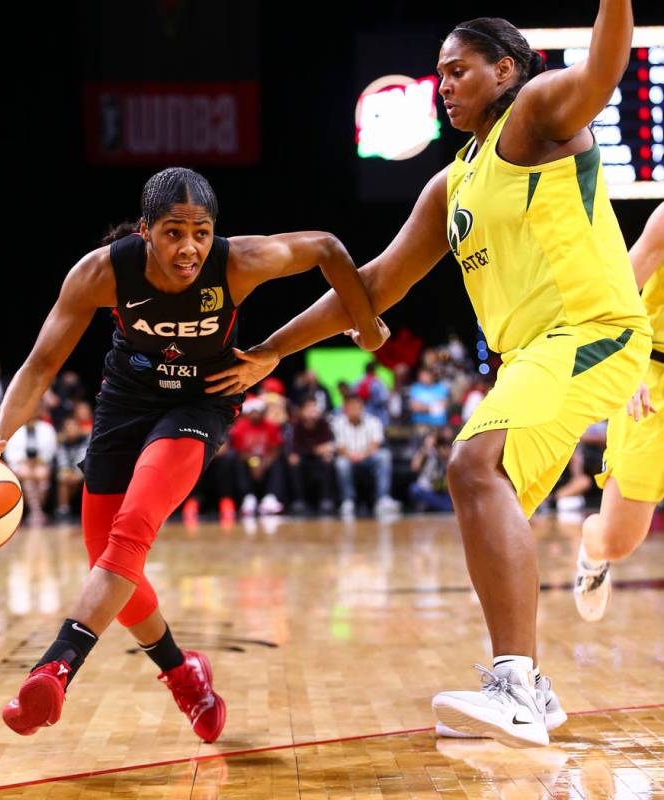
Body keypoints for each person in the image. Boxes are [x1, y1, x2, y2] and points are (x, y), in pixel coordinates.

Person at [204, 8, 651, 747]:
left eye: (457, 69)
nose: (441, 84)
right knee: (480, 485)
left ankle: (514, 684)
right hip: (533, 358)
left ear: (504, 70)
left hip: (591, 332)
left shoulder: (536, 115)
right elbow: (373, 284)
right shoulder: (452, 182)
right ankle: (530, 687)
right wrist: (270, 350)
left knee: (470, 463)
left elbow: (603, 70)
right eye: (438, 72)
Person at [0, 167, 386, 741]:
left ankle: (55, 666)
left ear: (215, 231)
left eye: (201, 231)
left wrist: (364, 327)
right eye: (172, 232)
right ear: (144, 231)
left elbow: (327, 249)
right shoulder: (101, 272)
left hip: (201, 403)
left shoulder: (236, 262)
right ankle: (182, 672)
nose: (188, 247)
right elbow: (42, 363)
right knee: (107, 560)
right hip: (126, 401)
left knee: (133, 529)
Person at [575, 202, 664, 621]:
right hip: (653, 381)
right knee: (618, 541)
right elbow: (615, 304)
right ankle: (593, 554)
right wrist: (628, 369)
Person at [331, 394, 400, 519]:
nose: (355, 409)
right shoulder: (338, 423)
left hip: (368, 456)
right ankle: (348, 501)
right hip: (348, 457)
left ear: (362, 407)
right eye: (351, 407)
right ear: (345, 408)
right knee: (341, 463)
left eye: (357, 406)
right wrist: (351, 455)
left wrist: (362, 455)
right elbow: (339, 447)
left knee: (384, 456)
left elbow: (375, 444)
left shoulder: (373, 421)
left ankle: (382, 498)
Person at [230, 395, 287, 516]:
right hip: (248, 461)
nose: (256, 414)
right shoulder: (240, 427)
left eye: (258, 411)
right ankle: (248, 499)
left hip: (266, 461)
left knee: (278, 462)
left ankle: (271, 498)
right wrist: (254, 462)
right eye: (253, 411)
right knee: (236, 462)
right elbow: (240, 451)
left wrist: (264, 464)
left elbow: (275, 449)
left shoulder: (271, 426)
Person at [4, 407, 59, 526]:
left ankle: (38, 510)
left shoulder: (47, 428)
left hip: (41, 462)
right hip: (21, 463)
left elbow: (52, 448)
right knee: (26, 475)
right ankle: (35, 512)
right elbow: (9, 451)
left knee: (42, 475)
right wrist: (23, 460)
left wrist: (40, 460)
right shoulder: (15, 429)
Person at [287, 396, 335, 515]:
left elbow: (327, 444)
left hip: (318, 459)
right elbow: (295, 447)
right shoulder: (296, 425)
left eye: (314, 407)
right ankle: (299, 500)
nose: (313, 411)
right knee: (294, 462)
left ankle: (326, 499)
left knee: (327, 459)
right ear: (302, 411)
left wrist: (323, 450)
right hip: (303, 458)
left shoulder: (323, 423)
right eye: (309, 408)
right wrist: (313, 449)